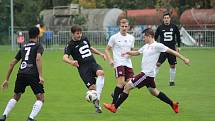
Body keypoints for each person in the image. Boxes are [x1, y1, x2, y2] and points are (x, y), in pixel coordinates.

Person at [104, 28, 190, 113]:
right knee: (154, 92)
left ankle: (114, 107)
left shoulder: (158, 45)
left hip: (146, 75)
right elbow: (137, 52)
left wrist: (184, 58)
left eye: (144, 37)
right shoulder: (146, 46)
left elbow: (172, 51)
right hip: (149, 75)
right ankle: (173, 104)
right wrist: (127, 52)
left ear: (149, 36)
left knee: (127, 87)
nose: (143, 38)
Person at [0, 27, 45, 121]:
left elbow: (12, 63)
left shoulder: (23, 47)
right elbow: (38, 58)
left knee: (16, 96)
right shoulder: (38, 46)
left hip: (21, 74)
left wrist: (6, 79)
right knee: (40, 98)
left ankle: (4, 115)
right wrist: (40, 75)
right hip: (33, 74)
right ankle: (31, 118)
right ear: (37, 35)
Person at [63, 25, 106, 113]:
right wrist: (72, 62)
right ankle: (97, 106)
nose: (79, 35)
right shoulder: (70, 45)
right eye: (77, 33)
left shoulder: (84, 38)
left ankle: (97, 96)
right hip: (83, 69)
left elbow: (90, 48)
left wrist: (100, 54)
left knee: (101, 73)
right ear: (72, 34)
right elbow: (64, 57)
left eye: (80, 33)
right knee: (92, 87)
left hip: (92, 63)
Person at [105, 18, 135, 105]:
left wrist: (130, 54)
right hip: (118, 63)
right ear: (119, 26)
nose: (124, 28)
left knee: (130, 85)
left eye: (126, 26)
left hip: (128, 64)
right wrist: (110, 60)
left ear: (128, 27)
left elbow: (132, 50)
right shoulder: (114, 37)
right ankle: (113, 104)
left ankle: (115, 94)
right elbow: (107, 50)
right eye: (122, 26)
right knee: (121, 83)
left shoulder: (131, 38)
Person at [155, 12, 181, 86]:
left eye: (167, 18)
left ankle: (171, 81)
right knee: (158, 64)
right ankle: (152, 80)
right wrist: (153, 46)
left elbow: (178, 36)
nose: (166, 19)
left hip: (172, 50)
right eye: (165, 18)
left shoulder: (174, 27)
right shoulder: (160, 27)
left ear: (170, 19)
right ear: (163, 19)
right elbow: (155, 37)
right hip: (162, 50)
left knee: (172, 65)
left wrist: (178, 46)